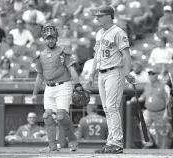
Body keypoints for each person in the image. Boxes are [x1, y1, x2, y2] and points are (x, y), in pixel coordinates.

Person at [89, 5, 135, 154]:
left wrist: (127, 72)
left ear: (109, 16)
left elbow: (126, 54)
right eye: (97, 15)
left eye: (100, 15)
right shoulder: (99, 33)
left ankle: (116, 142)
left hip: (115, 72)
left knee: (112, 106)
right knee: (107, 108)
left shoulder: (118, 32)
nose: (97, 18)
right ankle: (111, 141)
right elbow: (96, 55)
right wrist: (92, 73)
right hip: (102, 73)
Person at [32, 23, 82, 153]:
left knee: (60, 116)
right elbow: (39, 77)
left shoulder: (63, 51)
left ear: (56, 38)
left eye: (52, 37)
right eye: (48, 38)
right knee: (47, 116)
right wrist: (34, 93)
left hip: (63, 86)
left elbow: (72, 70)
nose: (50, 40)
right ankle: (53, 146)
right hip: (48, 88)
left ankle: (72, 138)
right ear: (44, 39)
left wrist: (78, 85)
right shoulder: (41, 56)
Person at [130, 65, 173, 149]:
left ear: (157, 75)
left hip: (161, 111)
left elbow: (168, 100)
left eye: (152, 73)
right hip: (149, 111)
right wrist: (137, 99)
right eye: (149, 73)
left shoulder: (164, 86)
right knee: (143, 124)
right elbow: (143, 97)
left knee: (163, 131)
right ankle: (148, 143)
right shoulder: (147, 85)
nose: (150, 75)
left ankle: (164, 148)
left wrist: (166, 113)